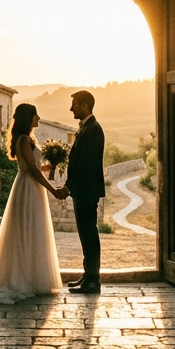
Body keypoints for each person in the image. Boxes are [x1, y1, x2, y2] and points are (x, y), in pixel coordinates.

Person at [0, 103, 68, 303]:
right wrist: (53, 190)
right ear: (29, 118)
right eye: (36, 115)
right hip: (28, 188)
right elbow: (32, 171)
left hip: (31, 187)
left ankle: (33, 278)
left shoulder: (28, 139)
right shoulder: (24, 140)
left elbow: (35, 167)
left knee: (33, 230)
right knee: (26, 230)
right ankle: (23, 280)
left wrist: (50, 165)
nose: (39, 117)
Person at [63, 89, 105, 294]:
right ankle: (87, 275)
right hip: (83, 191)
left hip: (87, 191)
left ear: (84, 106)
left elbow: (85, 164)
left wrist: (68, 185)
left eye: (74, 104)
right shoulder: (86, 128)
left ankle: (93, 280)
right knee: (85, 233)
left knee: (89, 233)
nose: (71, 108)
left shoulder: (93, 129)